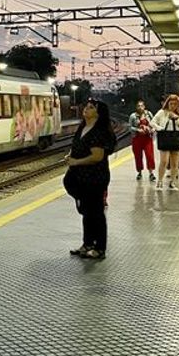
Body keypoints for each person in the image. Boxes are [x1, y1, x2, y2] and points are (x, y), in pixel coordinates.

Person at [63, 99, 116, 260]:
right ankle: (87, 244)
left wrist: (76, 162)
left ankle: (99, 248)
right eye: (86, 106)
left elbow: (97, 157)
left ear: (98, 114)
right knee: (87, 212)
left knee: (96, 213)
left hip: (95, 177)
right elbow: (78, 147)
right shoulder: (83, 128)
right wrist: (71, 156)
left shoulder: (98, 132)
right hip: (82, 177)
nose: (86, 109)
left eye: (91, 108)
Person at [152, 94, 179, 190]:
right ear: (167, 103)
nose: (172, 106)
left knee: (175, 163)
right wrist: (160, 129)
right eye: (171, 103)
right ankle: (159, 181)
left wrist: (177, 118)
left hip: (177, 137)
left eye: (175, 104)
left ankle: (172, 182)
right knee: (164, 161)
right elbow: (152, 122)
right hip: (165, 137)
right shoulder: (162, 112)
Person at [128, 100, 157, 181]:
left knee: (149, 155)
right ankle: (139, 172)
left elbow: (154, 123)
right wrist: (137, 130)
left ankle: (151, 173)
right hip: (137, 139)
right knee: (138, 156)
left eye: (142, 106)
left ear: (144, 106)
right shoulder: (133, 116)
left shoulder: (149, 114)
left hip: (147, 139)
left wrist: (152, 129)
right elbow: (129, 127)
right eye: (138, 106)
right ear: (136, 107)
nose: (140, 107)